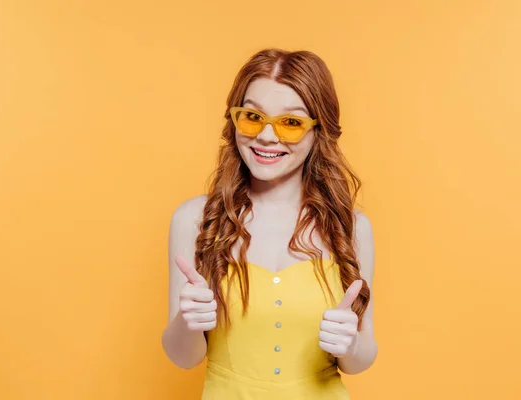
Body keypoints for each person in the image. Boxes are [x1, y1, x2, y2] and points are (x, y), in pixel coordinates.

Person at [161, 48, 377, 399]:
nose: (266, 136)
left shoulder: (350, 226)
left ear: (318, 131)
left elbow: (362, 358)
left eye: (290, 123)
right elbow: (182, 358)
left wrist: (350, 345)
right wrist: (188, 322)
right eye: (253, 116)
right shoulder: (194, 219)